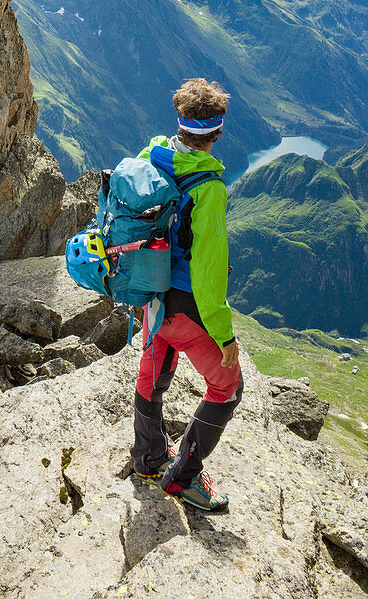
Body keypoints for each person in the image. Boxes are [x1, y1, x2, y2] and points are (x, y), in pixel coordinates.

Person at [130, 77, 242, 511]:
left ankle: (147, 459)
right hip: (185, 304)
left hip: (149, 291)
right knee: (227, 386)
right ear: (216, 132)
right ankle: (182, 479)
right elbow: (209, 271)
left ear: (181, 121)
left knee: (153, 372)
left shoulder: (152, 155)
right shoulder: (209, 190)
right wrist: (225, 334)